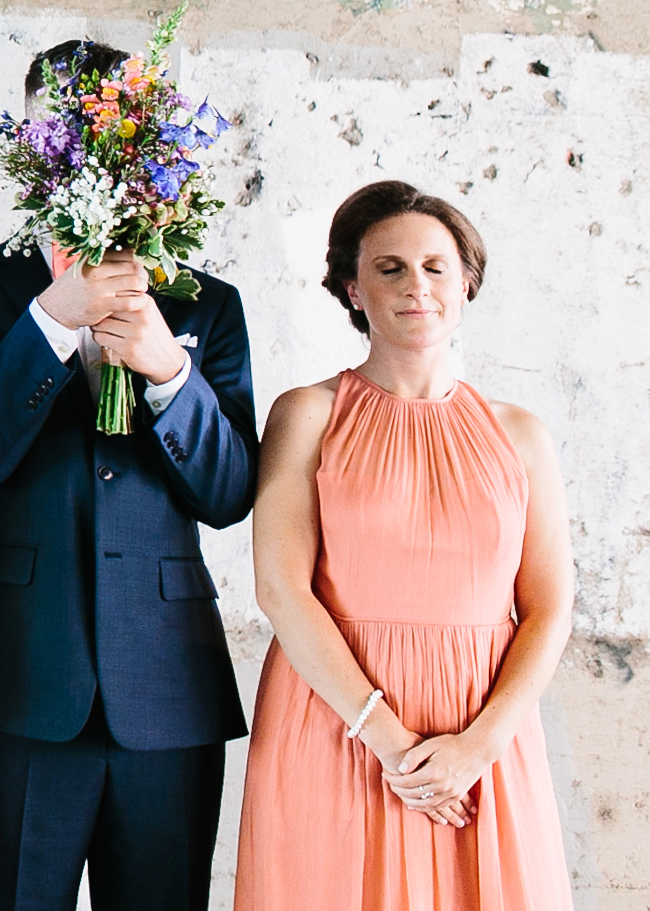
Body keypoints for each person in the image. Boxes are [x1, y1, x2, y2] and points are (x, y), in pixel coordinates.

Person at [0, 37, 257, 911]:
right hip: (19, 675)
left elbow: (227, 495)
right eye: (52, 132)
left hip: (168, 685)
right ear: (28, 145)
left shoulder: (205, 303)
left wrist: (167, 373)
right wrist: (47, 322)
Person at [234, 181, 574, 910]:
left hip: (481, 735)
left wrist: (475, 749)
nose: (415, 286)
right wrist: (389, 742)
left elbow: (549, 608)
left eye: (435, 267)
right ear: (352, 288)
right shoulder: (308, 415)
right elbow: (281, 589)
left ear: (467, 282)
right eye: (389, 268)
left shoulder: (522, 434)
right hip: (338, 723)